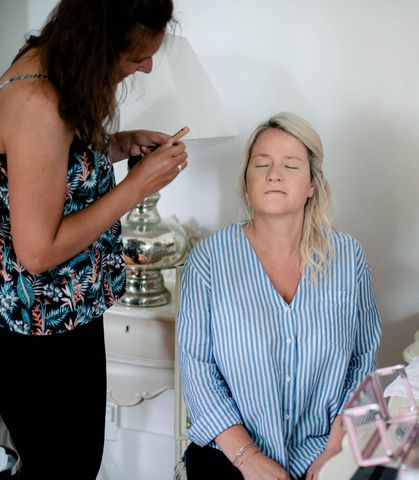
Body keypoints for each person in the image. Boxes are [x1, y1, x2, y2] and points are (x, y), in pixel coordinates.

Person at [0, 1, 187, 478]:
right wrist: (136, 188)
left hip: (70, 314)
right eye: (133, 58)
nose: (145, 66)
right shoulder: (37, 103)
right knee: (64, 467)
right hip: (40, 332)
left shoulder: (57, 71)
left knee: (75, 462)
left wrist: (120, 144)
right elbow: (37, 252)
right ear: (99, 44)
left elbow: (54, 169)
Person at [178, 112, 382, 480]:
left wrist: (337, 449)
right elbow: (198, 369)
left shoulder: (348, 257)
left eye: (290, 165)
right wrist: (248, 457)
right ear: (246, 181)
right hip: (230, 455)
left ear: (311, 185)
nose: (274, 174)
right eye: (262, 164)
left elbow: (363, 361)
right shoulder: (208, 260)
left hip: (326, 449)